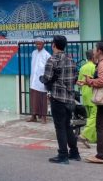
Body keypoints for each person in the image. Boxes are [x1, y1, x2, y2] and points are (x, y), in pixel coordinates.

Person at [42, 35, 80, 164]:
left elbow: (47, 79)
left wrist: (45, 80)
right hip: (69, 98)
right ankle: (74, 152)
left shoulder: (51, 60)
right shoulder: (71, 60)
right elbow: (75, 78)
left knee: (60, 127)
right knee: (68, 125)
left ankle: (63, 155)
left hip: (57, 98)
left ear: (53, 45)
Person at [77, 49, 98, 148]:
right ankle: (84, 134)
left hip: (85, 95)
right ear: (93, 57)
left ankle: (93, 138)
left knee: (89, 117)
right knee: (95, 117)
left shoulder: (82, 67)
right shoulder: (95, 67)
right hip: (93, 95)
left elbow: (79, 82)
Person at [27, 38, 51, 123]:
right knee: (33, 98)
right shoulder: (34, 53)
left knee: (42, 98)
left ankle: (44, 117)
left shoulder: (47, 55)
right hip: (33, 79)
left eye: (39, 44)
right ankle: (33, 116)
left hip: (42, 80)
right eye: (36, 44)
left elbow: (48, 68)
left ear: (43, 44)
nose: (38, 46)